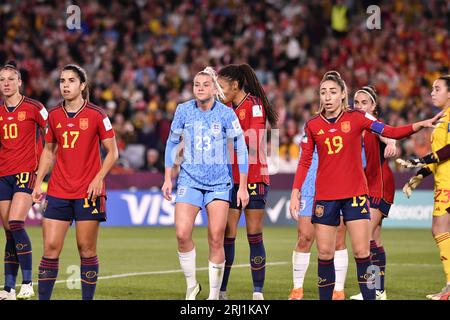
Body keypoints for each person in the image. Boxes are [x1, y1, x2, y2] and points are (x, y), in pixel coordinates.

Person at [290, 70, 443, 300]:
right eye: (323, 93)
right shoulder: (313, 125)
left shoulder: (357, 118)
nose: (328, 97)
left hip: (355, 195)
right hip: (325, 197)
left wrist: (420, 124)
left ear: (343, 94)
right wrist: (295, 191)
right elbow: (305, 161)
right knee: (324, 253)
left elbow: (390, 132)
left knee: (363, 252)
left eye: (333, 92)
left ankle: (373, 295)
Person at [31, 64, 118, 300]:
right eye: (62, 81)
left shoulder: (97, 115)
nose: (65, 85)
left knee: (86, 249)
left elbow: (113, 152)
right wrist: (38, 182)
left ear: (82, 85)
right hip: (58, 190)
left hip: (88, 192)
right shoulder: (54, 115)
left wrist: (98, 178)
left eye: (71, 80)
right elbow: (48, 151)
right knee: (50, 249)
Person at [162, 67, 249, 300]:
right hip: (189, 180)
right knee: (182, 234)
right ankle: (192, 286)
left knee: (216, 236)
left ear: (214, 88)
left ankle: (213, 295)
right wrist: (167, 177)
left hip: (219, 183)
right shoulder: (183, 110)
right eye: (196, 85)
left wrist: (242, 186)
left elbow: (241, 148)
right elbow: (171, 144)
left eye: (205, 84)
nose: (200, 88)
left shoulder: (226, 114)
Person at [216, 63, 278, 300]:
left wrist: (225, 138)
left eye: (222, 87)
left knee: (254, 234)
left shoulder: (254, 106)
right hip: (230, 179)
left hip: (254, 178)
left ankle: (257, 292)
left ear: (235, 85)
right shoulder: (226, 108)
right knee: (227, 236)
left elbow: (252, 142)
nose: (219, 92)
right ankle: (221, 290)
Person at [397, 75, 450, 300]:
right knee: (440, 229)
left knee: (439, 228)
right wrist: (418, 176)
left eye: (437, 88)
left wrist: (423, 159)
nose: (432, 92)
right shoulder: (442, 118)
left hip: (449, 184)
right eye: (431, 89)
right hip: (444, 180)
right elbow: (439, 158)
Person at [0, 61, 48, 300]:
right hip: (3, 175)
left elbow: (53, 137)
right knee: (9, 230)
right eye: (2, 80)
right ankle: (9, 287)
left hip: (26, 173)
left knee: (16, 223)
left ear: (20, 82)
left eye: (10, 79)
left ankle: (28, 282)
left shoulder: (34, 107)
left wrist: (43, 175)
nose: (6, 83)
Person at [349, 86, 398, 300]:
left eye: (364, 102)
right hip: (368, 185)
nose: (359, 106)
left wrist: (392, 144)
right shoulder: (358, 125)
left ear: (373, 106)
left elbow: (389, 136)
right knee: (374, 239)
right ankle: (379, 290)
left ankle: (371, 290)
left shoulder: (374, 125)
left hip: (380, 184)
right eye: (356, 102)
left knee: (365, 237)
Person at [288, 147, 348, 301]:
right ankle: (297, 288)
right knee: (304, 238)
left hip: (338, 186)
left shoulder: (343, 125)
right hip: (309, 188)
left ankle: (338, 290)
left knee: (338, 240)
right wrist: (296, 191)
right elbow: (303, 162)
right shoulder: (310, 129)